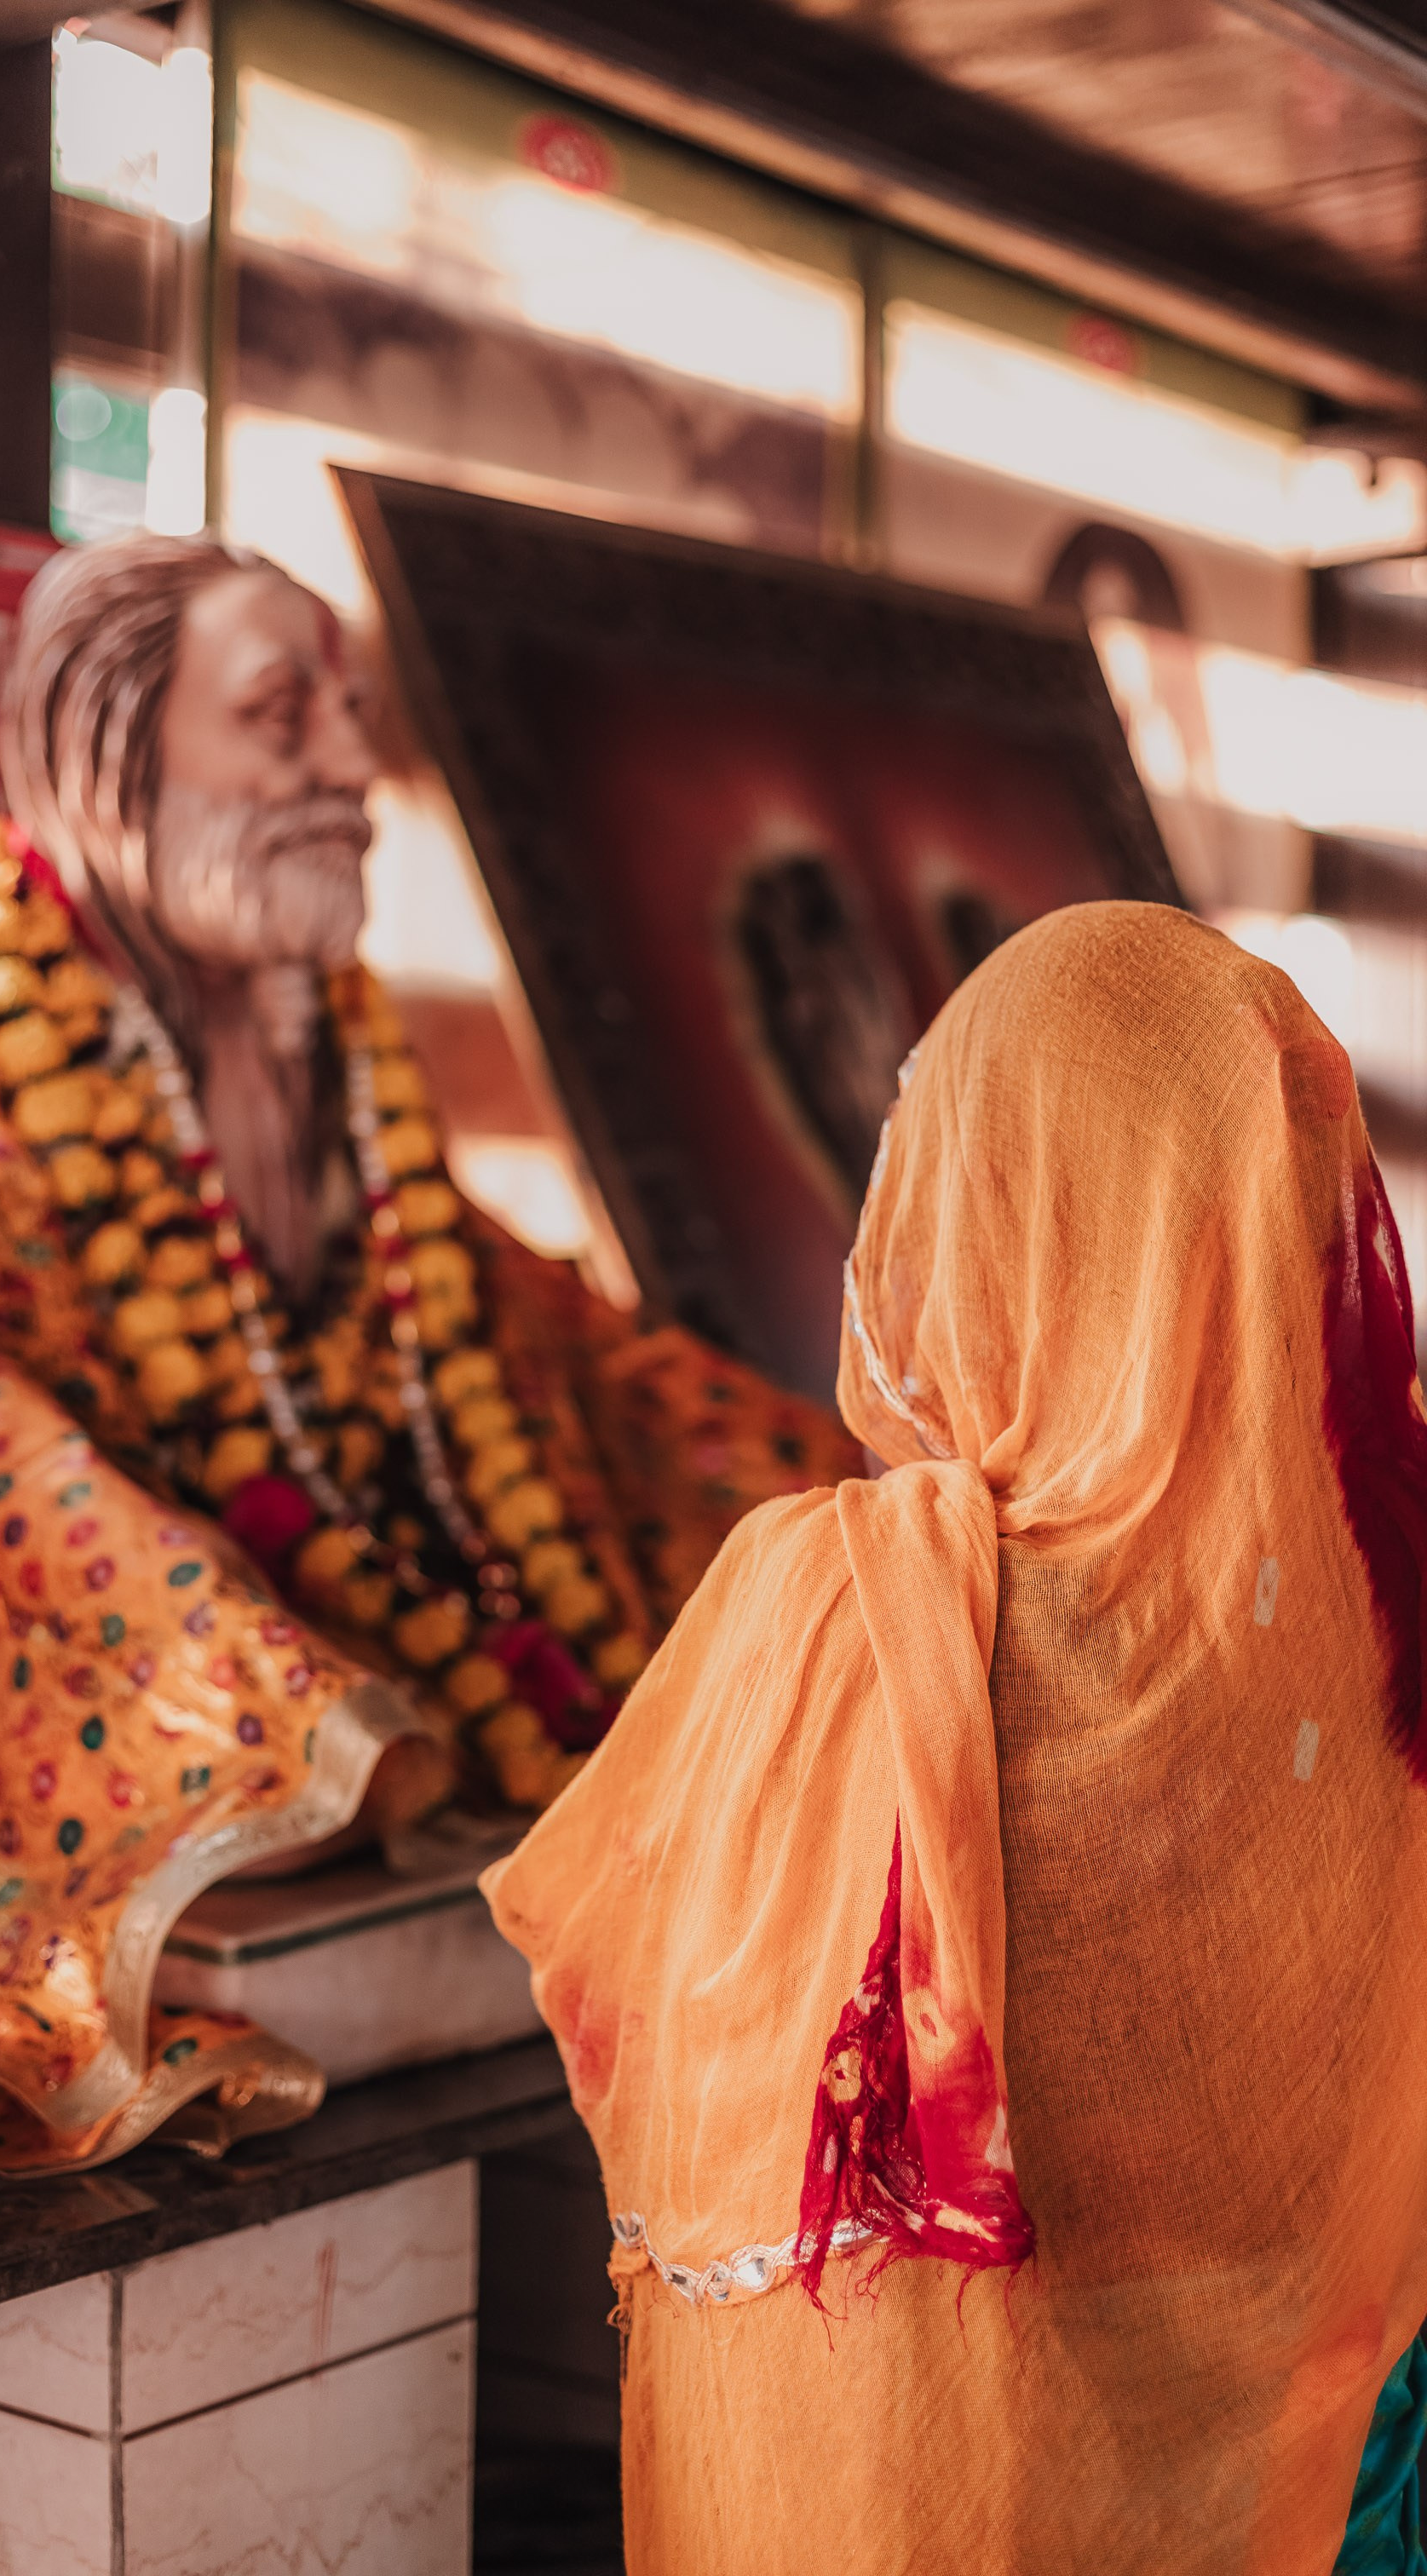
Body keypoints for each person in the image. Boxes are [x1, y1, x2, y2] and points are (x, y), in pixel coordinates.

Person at [0, 531, 854, 2173]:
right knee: (285, 1781)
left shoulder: (330, 1027)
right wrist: (290, 1696)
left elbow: (485, 1328)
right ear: (115, 751)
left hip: (385, 1608)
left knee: (776, 1574)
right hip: (65, 1660)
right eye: (283, 716)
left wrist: (843, 1494)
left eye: (348, 712)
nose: (350, 766)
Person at [486, 900, 1427, 2574]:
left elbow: (647, 1986)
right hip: (1311, 2467)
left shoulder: (855, 1614)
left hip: (972, 2476)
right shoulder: (1382, 1623)